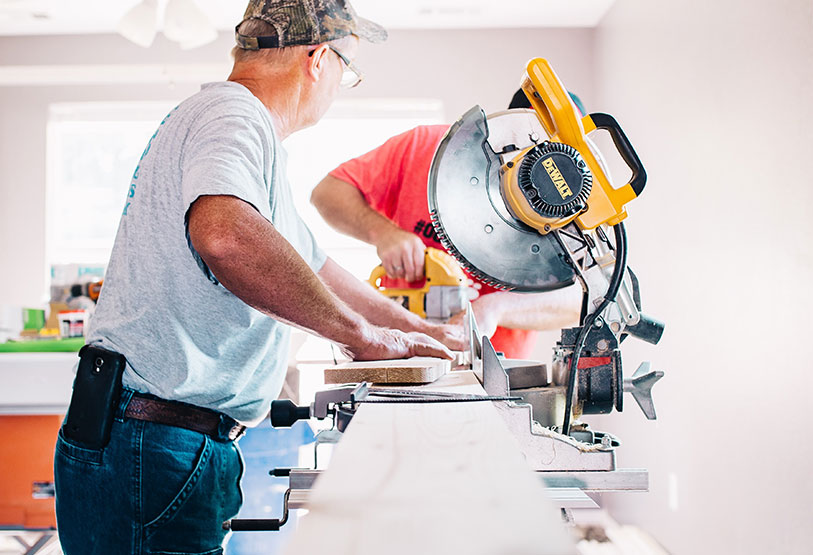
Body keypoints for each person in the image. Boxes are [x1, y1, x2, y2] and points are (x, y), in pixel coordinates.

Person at [53, 2, 464, 554]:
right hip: (154, 441)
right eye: (349, 69)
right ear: (319, 59)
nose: (343, 85)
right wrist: (362, 338)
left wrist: (420, 332)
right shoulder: (233, 115)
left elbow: (319, 268)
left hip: (156, 438)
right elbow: (224, 235)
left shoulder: (238, 132)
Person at [310, 91, 590, 359]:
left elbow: (584, 298)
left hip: (495, 368)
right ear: (507, 122)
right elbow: (327, 193)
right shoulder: (426, 147)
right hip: (397, 349)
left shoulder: (569, 207)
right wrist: (383, 233)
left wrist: (496, 308)